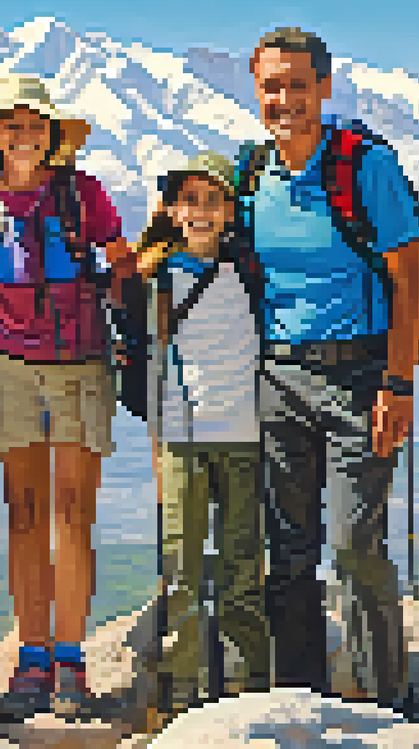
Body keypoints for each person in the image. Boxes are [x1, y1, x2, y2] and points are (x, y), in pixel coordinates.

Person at [236, 28, 419, 708]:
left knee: (353, 546)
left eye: (297, 84)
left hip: (361, 380)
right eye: (270, 86)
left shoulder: (363, 166)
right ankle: (300, 703)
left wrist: (398, 383)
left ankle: (385, 708)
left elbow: (411, 280)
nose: (284, 99)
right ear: (255, 92)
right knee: (286, 553)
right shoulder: (252, 174)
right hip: (279, 380)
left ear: (324, 86)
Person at [0, 75, 135, 723]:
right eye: (10, 123)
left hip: (81, 365)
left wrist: (123, 295)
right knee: (24, 513)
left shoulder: (84, 196)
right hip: (6, 369)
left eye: (34, 123)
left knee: (74, 513)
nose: (23, 133)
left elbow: (123, 262)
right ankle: (32, 659)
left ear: (52, 134)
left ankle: (70, 659)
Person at [132, 152, 270, 718]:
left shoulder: (251, 268)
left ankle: (248, 685)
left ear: (232, 209)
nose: (201, 211)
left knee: (242, 561)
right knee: (182, 564)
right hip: (182, 433)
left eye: (212, 199)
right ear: (171, 209)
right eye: (189, 200)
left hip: (244, 432)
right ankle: (184, 688)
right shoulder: (158, 275)